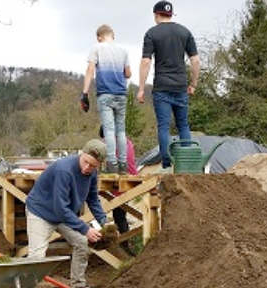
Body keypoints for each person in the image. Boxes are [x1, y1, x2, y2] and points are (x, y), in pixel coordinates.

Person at [25, 139, 109, 288]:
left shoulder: (92, 174)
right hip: (41, 212)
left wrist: (105, 222)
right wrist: (85, 229)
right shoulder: (64, 170)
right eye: (85, 162)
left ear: (99, 165)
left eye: (92, 166)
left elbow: (92, 199)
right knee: (37, 256)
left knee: (82, 243)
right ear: (81, 154)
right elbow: (60, 208)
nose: (87, 168)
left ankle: (78, 286)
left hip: (63, 214)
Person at [137, 1, 200, 173]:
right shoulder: (185, 32)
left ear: (156, 15)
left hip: (162, 87)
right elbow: (195, 61)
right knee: (183, 125)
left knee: (163, 126)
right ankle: (187, 164)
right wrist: (193, 84)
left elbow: (145, 61)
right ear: (171, 14)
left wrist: (141, 88)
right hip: (180, 87)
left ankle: (166, 163)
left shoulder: (151, 33)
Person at [81, 24, 132, 174]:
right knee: (121, 131)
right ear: (113, 36)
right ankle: (123, 166)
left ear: (99, 37)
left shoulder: (96, 48)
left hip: (105, 94)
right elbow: (128, 73)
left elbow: (90, 70)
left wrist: (84, 93)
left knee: (109, 131)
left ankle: (112, 165)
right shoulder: (123, 50)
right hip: (121, 94)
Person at [98, 125, 137, 237]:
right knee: (119, 212)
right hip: (131, 178)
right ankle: (124, 243)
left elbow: (103, 162)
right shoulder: (127, 141)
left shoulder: (110, 142)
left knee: (118, 214)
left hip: (120, 179)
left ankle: (123, 243)